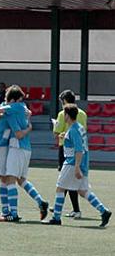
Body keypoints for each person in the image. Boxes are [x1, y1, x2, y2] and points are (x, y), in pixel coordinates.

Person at [44, 104, 111, 227]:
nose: (63, 116)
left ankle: (56, 217)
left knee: (60, 188)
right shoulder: (78, 127)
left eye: (64, 114)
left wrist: (76, 167)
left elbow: (78, 150)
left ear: (68, 116)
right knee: (83, 191)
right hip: (82, 163)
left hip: (71, 163)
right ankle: (104, 211)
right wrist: (65, 136)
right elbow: (78, 143)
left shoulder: (73, 130)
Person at [0, 86, 49, 222]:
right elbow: (28, 113)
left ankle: (13, 214)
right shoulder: (23, 108)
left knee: (10, 179)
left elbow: (16, 133)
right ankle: (41, 202)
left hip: (16, 147)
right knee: (21, 179)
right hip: (26, 148)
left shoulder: (12, 108)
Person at [52, 90, 87, 218]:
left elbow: (56, 132)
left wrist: (56, 128)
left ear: (65, 101)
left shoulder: (62, 114)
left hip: (66, 149)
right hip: (81, 150)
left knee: (65, 179)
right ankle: (64, 207)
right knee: (68, 179)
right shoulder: (82, 113)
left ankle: (71, 209)